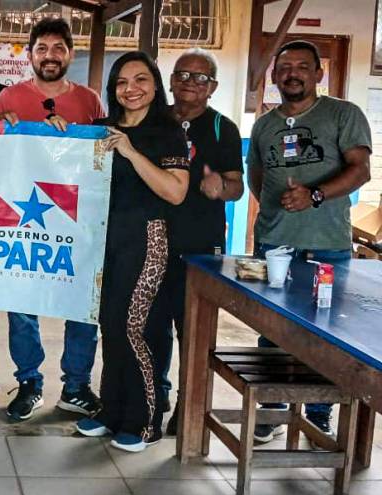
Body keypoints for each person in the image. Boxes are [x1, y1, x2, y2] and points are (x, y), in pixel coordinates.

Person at [248, 40, 372, 444]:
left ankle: (319, 414)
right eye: (284, 67)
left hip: (327, 246)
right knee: (271, 331)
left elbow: (361, 170)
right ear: (274, 75)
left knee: (326, 333)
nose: (293, 74)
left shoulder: (343, 114)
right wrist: (278, 214)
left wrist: (315, 195)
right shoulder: (264, 124)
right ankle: (272, 410)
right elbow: (257, 178)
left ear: (318, 73)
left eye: (302, 66)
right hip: (274, 245)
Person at [0, 17, 105, 421]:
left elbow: (100, 155)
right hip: (19, 216)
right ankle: (29, 383)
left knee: (81, 303)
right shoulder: (8, 97)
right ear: (30, 54)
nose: (50, 56)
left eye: (58, 48)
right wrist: (3, 129)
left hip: (75, 216)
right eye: (42, 48)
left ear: (70, 54)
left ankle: (76, 386)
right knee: (21, 304)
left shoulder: (89, 101)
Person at [75, 51, 189, 452]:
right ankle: (112, 411)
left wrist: (131, 152)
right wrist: (56, 132)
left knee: (135, 328)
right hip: (104, 241)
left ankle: (145, 421)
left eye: (140, 79)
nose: (131, 89)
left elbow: (175, 192)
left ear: (155, 85)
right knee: (110, 325)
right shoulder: (101, 129)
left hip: (146, 240)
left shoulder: (167, 132)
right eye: (122, 82)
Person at [159, 48, 245, 435]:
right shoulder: (155, 119)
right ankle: (155, 394)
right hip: (152, 239)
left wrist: (220, 187)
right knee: (151, 325)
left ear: (213, 86)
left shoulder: (223, 128)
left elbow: (237, 187)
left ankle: (187, 403)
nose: (189, 82)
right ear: (171, 81)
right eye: (182, 74)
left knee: (191, 329)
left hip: (199, 246)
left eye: (200, 77)